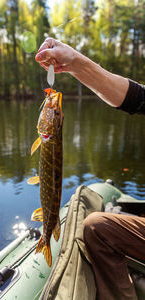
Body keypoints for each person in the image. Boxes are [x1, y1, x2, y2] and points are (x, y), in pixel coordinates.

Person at [35, 37, 145, 300]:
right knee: (95, 227)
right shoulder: (47, 136)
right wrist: (74, 62)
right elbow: (136, 98)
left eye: (56, 115)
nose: (54, 109)